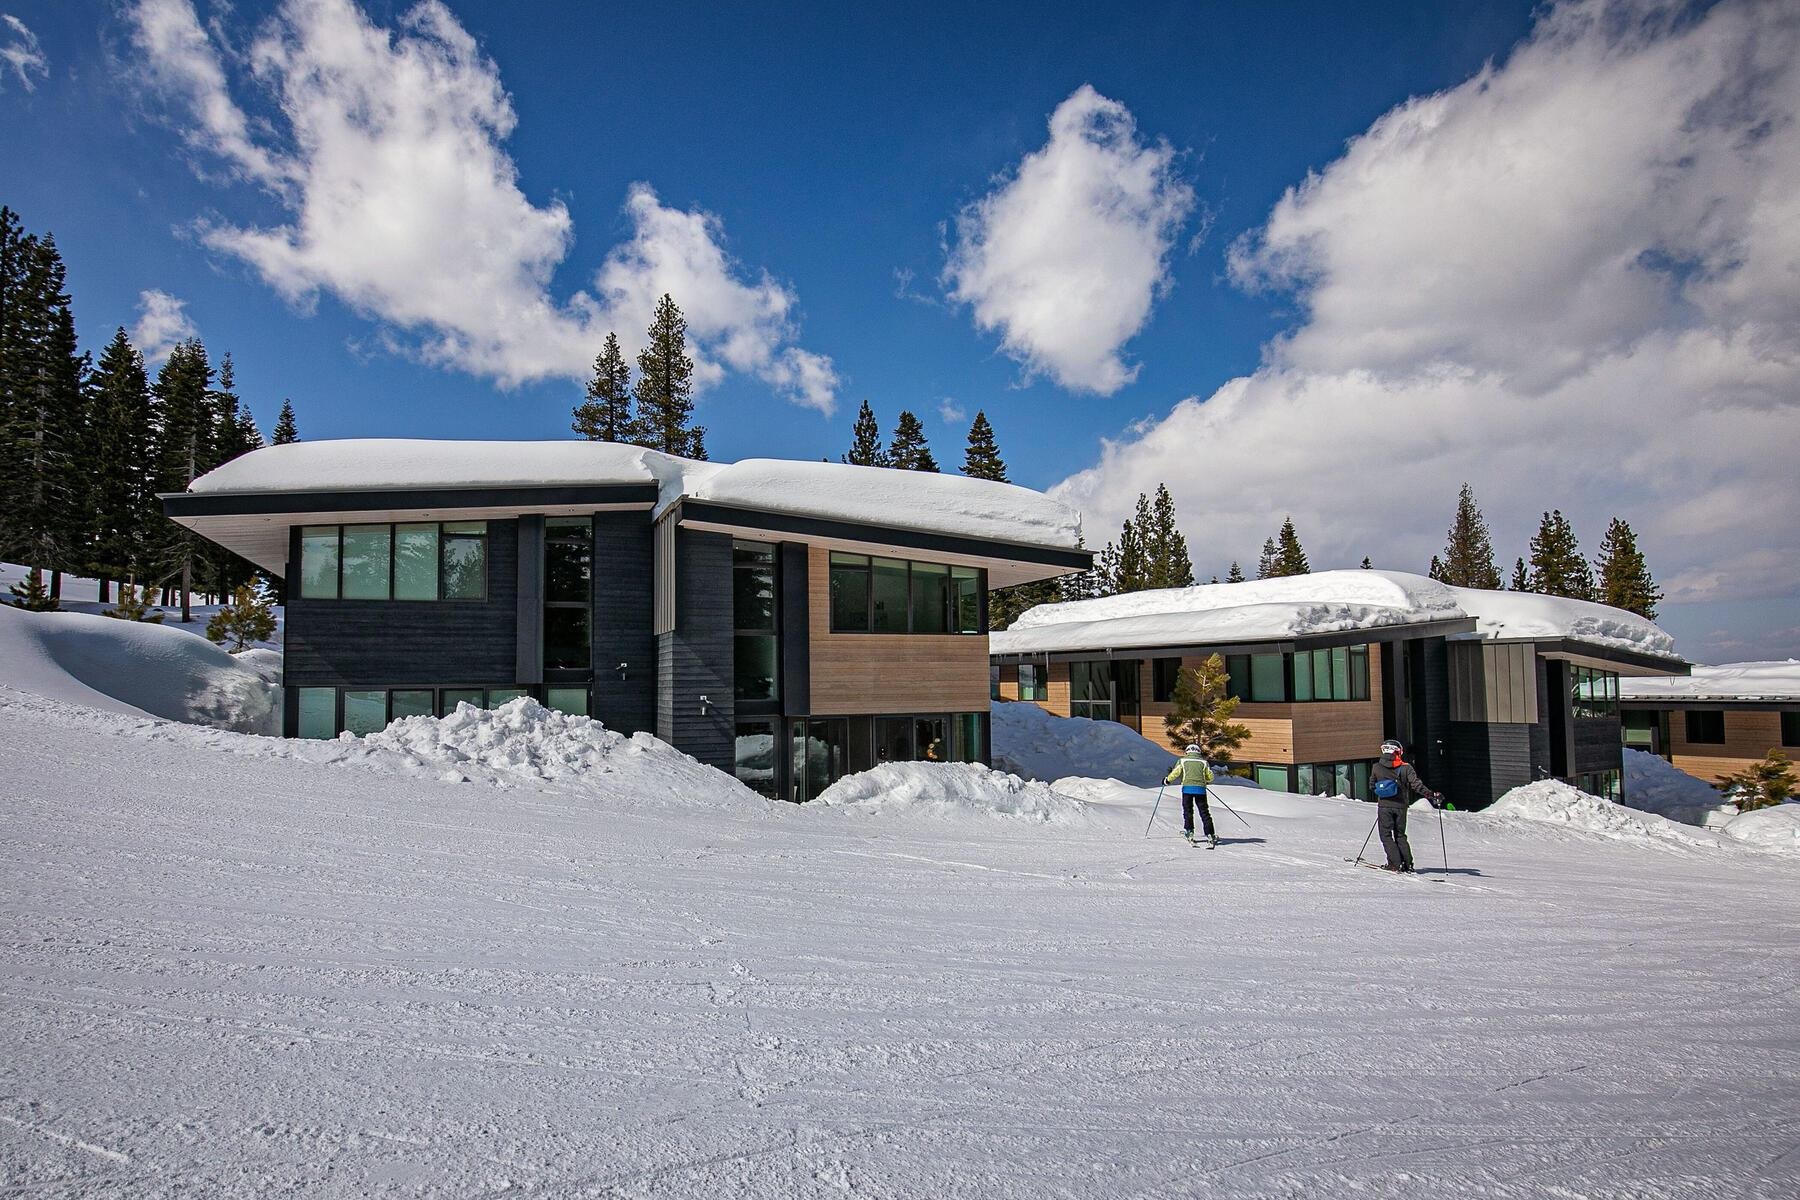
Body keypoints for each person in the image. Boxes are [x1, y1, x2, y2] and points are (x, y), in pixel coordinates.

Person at [1368, 739, 1445, 872]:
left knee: (1385, 835)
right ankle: (1407, 864)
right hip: (1401, 806)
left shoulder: (1376, 767)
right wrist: (1432, 795)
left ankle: (1394, 864)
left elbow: (1371, 786)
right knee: (1400, 835)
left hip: (1384, 806)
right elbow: (1417, 786)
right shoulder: (1406, 768)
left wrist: (1383, 792)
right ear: (1398, 752)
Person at [1165, 744, 1217, 847]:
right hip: (1200, 790)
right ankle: (1210, 834)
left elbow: (1175, 773)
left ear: (1187, 751)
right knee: (1204, 812)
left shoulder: (1183, 761)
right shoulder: (1204, 762)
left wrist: (1167, 780)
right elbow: (1210, 777)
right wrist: (1204, 781)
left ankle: (1189, 831)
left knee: (1188, 811)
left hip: (1187, 789)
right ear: (1198, 752)